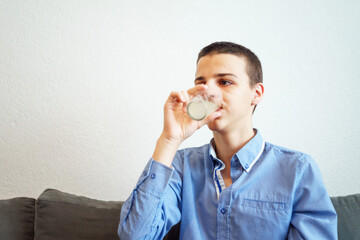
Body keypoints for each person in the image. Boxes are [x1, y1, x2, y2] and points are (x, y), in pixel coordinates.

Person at [118, 42, 338, 239]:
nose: (210, 92)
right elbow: (135, 235)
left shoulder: (297, 169)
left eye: (224, 82)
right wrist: (169, 139)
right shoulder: (181, 165)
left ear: (256, 93)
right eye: (201, 83)